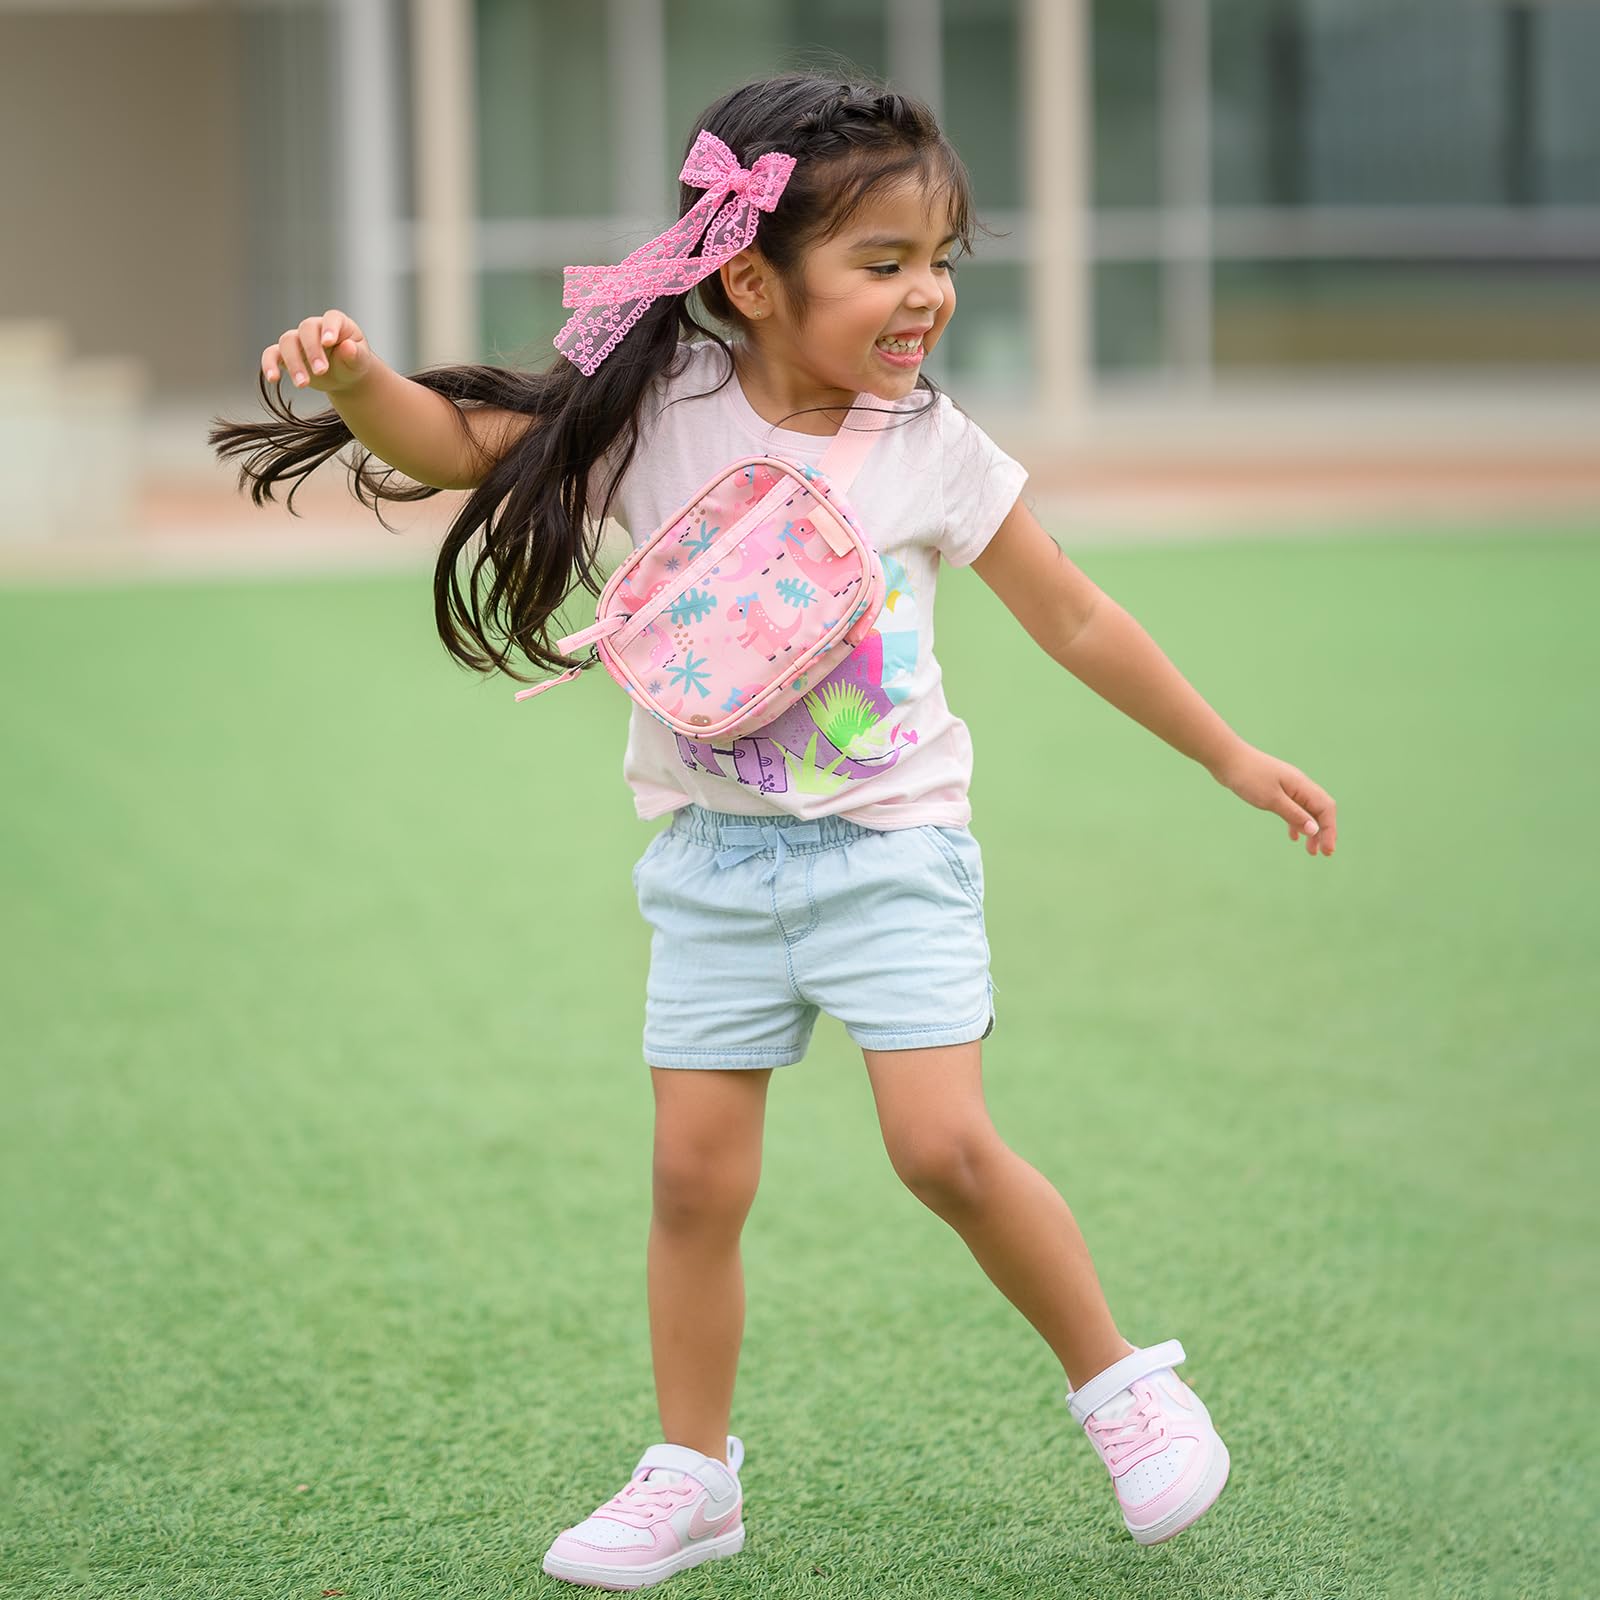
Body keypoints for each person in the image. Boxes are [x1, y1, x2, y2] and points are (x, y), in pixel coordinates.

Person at [212, 69, 1337, 1594]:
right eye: (885, 263)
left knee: (942, 1148)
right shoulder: (653, 412)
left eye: (941, 259)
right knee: (693, 1181)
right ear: (750, 275)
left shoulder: (934, 448)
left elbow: (1073, 614)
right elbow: (456, 445)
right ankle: (692, 1477)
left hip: (891, 849)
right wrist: (354, 380)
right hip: (711, 864)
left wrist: (1228, 752)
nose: (926, 294)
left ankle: (1124, 1385)